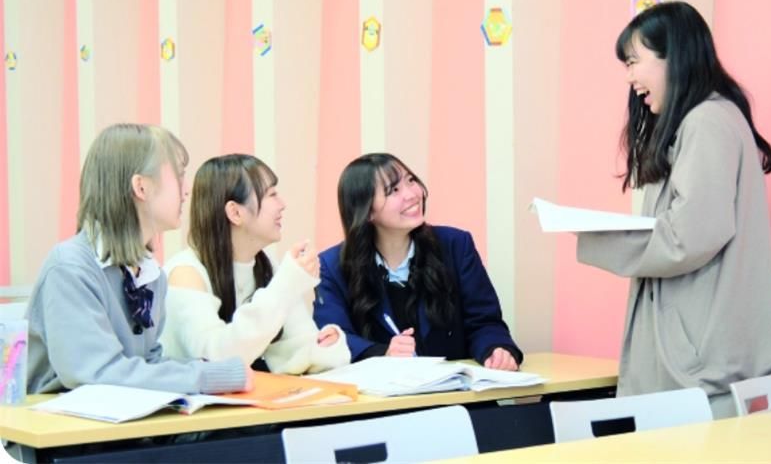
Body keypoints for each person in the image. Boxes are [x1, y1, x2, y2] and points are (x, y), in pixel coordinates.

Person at [576, 1, 771, 418]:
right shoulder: (703, 121)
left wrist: (595, 235)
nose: (630, 77)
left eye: (634, 62)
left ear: (673, 56)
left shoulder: (707, 122)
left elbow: (687, 238)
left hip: (699, 369)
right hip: (697, 363)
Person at [26, 124, 250, 394]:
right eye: (179, 175)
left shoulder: (149, 274)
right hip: (56, 418)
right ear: (141, 187)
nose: (186, 190)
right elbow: (95, 374)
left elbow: (146, 365)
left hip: (117, 417)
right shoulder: (70, 268)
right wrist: (210, 377)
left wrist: (213, 373)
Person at [313, 153, 522, 370]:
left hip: (454, 387)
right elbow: (333, 339)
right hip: (380, 390)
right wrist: (382, 352)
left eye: (411, 180)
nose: (412, 194)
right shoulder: (331, 266)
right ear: (366, 212)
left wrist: (496, 349)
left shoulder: (455, 245)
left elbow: (485, 321)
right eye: (393, 190)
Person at [161, 154, 349, 374]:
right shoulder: (185, 274)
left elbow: (298, 346)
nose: (282, 205)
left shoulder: (267, 266)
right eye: (271, 195)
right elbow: (216, 358)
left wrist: (324, 345)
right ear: (235, 212)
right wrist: (287, 285)